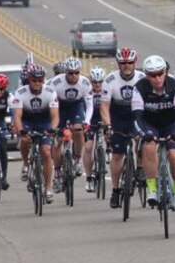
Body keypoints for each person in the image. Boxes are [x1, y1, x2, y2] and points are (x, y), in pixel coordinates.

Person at [131, 55, 175, 212]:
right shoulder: (139, 88)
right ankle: (152, 188)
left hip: (171, 124)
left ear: (165, 72)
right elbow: (137, 117)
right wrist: (143, 134)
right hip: (150, 124)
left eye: (160, 73)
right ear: (146, 75)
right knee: (149, 147)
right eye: (152, 75)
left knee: (174, 155)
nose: (157, 78)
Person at [101, 48, 145, 209]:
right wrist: (108, 125)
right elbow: (104, 106)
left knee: (142, 140)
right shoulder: (110, 80)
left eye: (129, 63)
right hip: (118, 116)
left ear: (135, 63)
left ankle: (140, 168)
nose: (126, 66)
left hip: (136, 114)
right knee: (117, 155)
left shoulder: (142, 78)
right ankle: (115, 190)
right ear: (118, 64)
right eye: (123, 63)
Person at [10, 63, 60, 203]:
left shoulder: (50, 92)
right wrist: (20, 130)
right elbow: (17, 116)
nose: (37, 83)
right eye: (34, 80)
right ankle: (26, 163)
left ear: (43, 80)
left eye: (40, 80)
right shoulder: (20, 93)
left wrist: (52, 128)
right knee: (25, 140)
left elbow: (55, 116)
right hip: (28, 121)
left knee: (46, 152)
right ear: (29, 79)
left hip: (44, 121)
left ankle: (48, 189)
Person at [50, 56, 93, 186]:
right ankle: (57, 171)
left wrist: (87, 122)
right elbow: (49, 102)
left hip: (76, 105)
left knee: (79, 130)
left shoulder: (85, 83)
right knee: (58, 141)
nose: (73, 75)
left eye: (76, 73)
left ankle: (77, 160)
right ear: (65, 72)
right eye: (70, 73)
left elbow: (89, 105)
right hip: (60, 106)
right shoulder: (56, 82)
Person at [82, 66, 107, 193]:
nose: (97, 84)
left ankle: (108, 151)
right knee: (88, 147)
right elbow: (82, 109)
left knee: (110, 133)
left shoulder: (107, 90)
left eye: (100, 82)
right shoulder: (86, 91)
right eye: (94, 82)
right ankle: (89, 178)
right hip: (90, 120)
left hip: (103, 118)